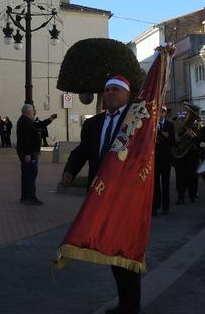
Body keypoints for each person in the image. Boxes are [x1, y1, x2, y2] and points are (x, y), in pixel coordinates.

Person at [61, 76, 140, 314]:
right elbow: (83, 150)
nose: (110, 93)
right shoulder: (93, 123)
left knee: (126, 251)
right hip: (100, 196)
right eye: (107, 90)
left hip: (126, 198)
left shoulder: (137, 122)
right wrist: (70, 171)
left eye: (115, 89)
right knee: (111, 252)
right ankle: (125, 303)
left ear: (127, 94)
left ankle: (131, 307)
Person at [16, 105, 56, 205]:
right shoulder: (25, 122)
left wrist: (50, 119)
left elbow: (39, 125)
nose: (34, 112)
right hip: (29, 153)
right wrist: (28, 154)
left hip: (28, 152)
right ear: (29, 112)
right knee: (30, 175)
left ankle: (25, 197)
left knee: (27, 175)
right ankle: (30, 197)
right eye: (33, 111)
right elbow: (26, 140)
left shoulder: (26, 121)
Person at [173, 110, 199, 205]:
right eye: (180, 119)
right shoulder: (175, 128)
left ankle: (192, 195)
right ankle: (181, 197)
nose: (182, 120)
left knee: (191, 176)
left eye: (183, 118)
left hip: (191, 156)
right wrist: (178, 138)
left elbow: (198, 141)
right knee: (180, 178)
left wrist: (192, 135)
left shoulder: (194, 128)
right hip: (179, 157)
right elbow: (172, 141)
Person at [153, 106, 176, 216]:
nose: (160, 113)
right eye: (158, 112)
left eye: (162, 112)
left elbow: (173, 142)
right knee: (155, 183)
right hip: (156, 158)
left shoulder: (170, 125)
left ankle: (165, 207)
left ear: (165, 113)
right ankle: (155, 206)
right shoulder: (153, 125)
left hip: (166, 159)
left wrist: (164, 136)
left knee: (165, 183)